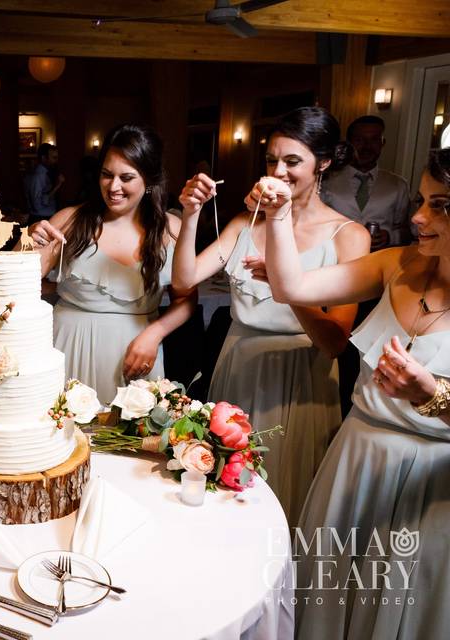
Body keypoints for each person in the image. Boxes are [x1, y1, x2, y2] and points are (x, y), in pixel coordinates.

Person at [246, 148, 450, 639]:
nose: (418, 217)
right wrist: (277, 215)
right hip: (355, 461)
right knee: (330, 595)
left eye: (440, 205)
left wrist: (432, 395)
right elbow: (290, 284)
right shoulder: (394, 264)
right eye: (421, 201)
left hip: (432, 485)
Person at [172, 106, 371, 526]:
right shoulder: (246, 221)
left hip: (301, 380)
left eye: (292, 161)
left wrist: (288, 288)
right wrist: (190, 214)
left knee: (285, 497)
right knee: (227, 492)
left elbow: (334, 342)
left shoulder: (349, 236)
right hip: (238, 367)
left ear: (325, 162)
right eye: (271, 160)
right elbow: (184, 280)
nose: (278, 171)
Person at [27, 124, 196, 405]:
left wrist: (154, 334)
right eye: (107, 175)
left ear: (150, 179)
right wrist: (31, 242)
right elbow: (23, 289)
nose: (113, 187)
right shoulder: (70, 220)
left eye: (126, 177)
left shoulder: (172, 229)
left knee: (127, 444)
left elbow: (187, 300)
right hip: (67, 345)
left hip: (136, 351)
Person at [322, 115, 412, 250]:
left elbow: (408, 231)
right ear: (349, 143)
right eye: (359, 139)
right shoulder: (326, 180)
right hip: (336, 258)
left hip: (379, 261)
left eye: (374, 139)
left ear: (383, 143)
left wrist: (389, 237)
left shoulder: (398, 185)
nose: (367, 146)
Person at [24, 142, 64, 224]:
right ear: (44, 158)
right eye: (53, 158)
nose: (56, 161)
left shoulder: (48, 173)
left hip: (46, 217)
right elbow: (37, 205)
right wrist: (58, 185)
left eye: (57, 157)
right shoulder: (38, 176)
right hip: (40, 219)